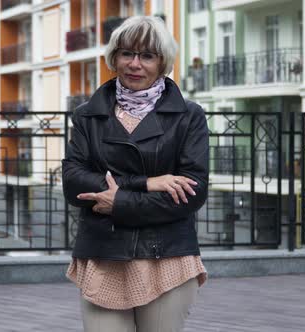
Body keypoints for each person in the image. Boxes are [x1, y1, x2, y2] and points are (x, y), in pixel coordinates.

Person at [62, 16, 209, 332]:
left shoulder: (189, 116)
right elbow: (73, 182)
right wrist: (146, 183)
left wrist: (119, 202)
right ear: (114, 58)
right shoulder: (87, 116)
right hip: (104, 254)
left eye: (147, 55)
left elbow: (190, 194)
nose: (135, 64)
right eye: (127, 53)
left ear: (162, 62)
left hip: (166, 255)